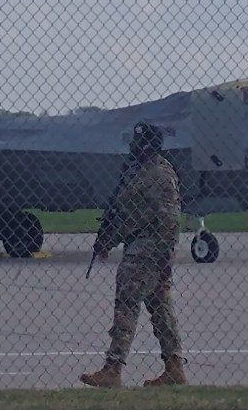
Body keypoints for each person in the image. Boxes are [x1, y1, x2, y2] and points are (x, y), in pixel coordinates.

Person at [79, 121, 187, 388]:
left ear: (146, 145)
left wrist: (163, 259)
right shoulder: (139, 172)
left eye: (137, 143)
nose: (132, 147)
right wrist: (108, 239)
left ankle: (113, 368)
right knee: (160, 308)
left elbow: (169, 221)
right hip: (142, 247)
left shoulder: (159, 174)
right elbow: (131, 215)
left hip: (148, 250)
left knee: (127, 304)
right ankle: (174, 368)